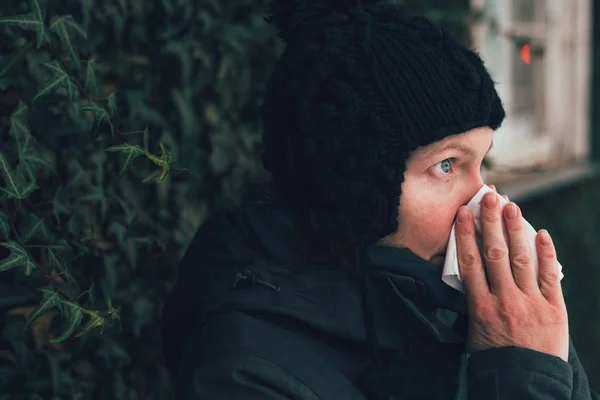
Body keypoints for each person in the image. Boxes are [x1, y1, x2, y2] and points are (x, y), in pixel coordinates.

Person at [161, 0, 600, 399]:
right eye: (446, 165)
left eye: (482, 162)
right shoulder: (245, 376)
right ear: (355, 191)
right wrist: (522, 377)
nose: (486, 201)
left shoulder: (445, 309)